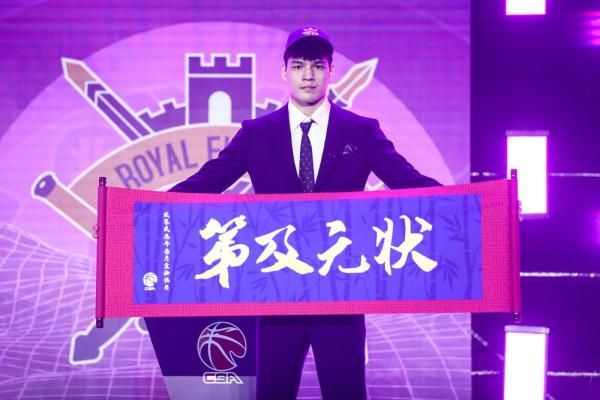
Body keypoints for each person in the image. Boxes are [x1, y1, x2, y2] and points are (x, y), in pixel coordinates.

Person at [170, 26, 439, 400]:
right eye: (298, 66)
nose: (308, 74)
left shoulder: (360, 131)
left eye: (317, 65)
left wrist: (483, 207)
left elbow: (410, 183)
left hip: (341, 291)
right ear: (284, 72)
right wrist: (132, 212)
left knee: (346, 393)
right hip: (278, 291)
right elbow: (206, 182)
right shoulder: (257, 133)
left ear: (332, 71)